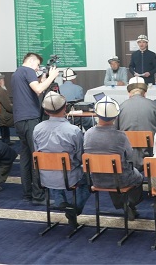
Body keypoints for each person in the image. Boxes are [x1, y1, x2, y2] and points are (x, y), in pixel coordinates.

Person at [33, 92, 91, 228]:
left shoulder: (37, 129)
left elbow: (38, 154)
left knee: (53, 169)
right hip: (69, 178)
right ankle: (74, 209)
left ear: (46, 111)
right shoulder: (73, 130)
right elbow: (80, 157)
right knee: (90, 179)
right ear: (65, 107)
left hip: (45, 177)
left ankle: (60, 202)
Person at [83, 97, 145, 220]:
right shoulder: (120, 136)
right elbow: (130, 156)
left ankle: (123, 205)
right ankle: (129, 203)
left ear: (96, 114)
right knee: (138, 177)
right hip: (120, 180)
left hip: (97, 179)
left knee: (113, 171)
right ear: (115, 116)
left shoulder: (88, 134)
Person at [12, 52, 59, 205]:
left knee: (25, 158)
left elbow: (34, 90)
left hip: (19, 119)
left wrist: (43, 79)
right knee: (36, 156)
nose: (38, 68)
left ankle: (27, 193)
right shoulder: (28, 71)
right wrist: (52, 77)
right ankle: (38, 196)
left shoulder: (16, 73)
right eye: (38, 65)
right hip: (30, 119)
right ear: (31, 62)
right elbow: (38, 90)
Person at [116, 81, 156, 168]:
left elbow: (116, 130)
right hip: (151, 154)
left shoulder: (121, 107)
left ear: (129, 94)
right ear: (145, 94)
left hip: (127, 156)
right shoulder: (155, 105)